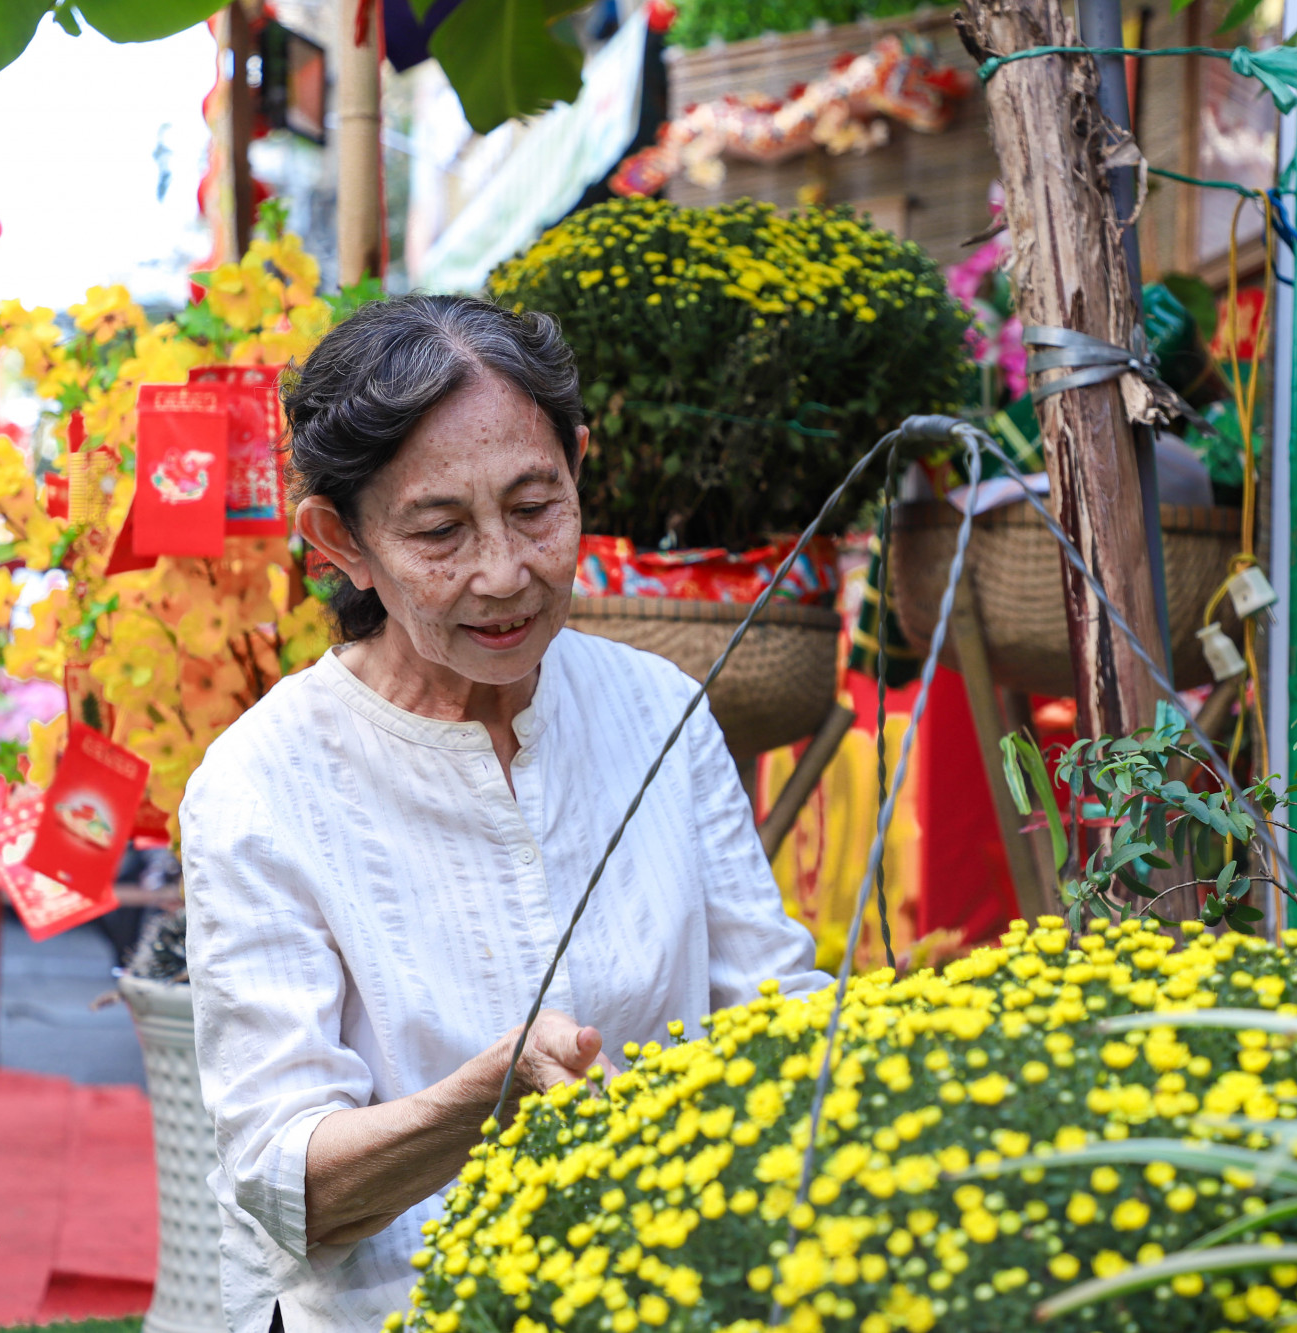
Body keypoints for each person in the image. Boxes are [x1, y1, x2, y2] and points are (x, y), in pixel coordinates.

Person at [181, 294, 828, 1333]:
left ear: (577, 463)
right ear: (338, 539)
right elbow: (282, 1181)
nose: (504, 572)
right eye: (438, 530)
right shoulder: (261, 782)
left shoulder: (655, 708)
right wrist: (479, 1100)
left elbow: (773, 1005)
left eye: (536, 507)